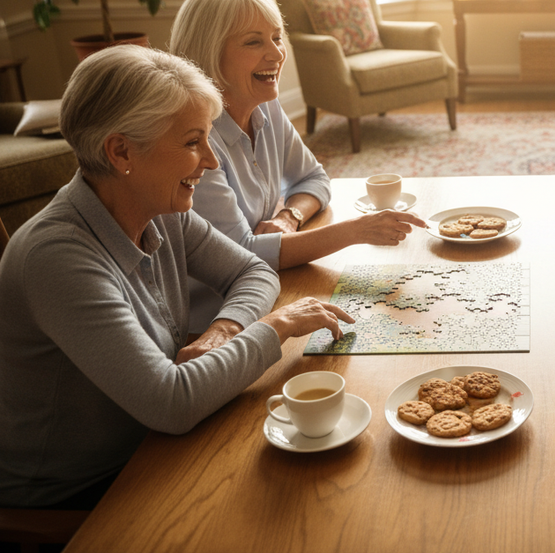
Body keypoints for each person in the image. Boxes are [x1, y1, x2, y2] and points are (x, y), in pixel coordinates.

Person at [0, 46, 352, 508]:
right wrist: (276, 327)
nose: (210, 160)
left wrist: (223, 330)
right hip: (84, 490)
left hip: (153, 442)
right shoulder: (57, 258)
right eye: (192, 142)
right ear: (121, 150)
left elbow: (254, 270)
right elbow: (172, 403)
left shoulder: (157, 206)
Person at [169, 0, 426, 334]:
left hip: (270, 285)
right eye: (254, 41)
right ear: (209, 53)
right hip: (218, 319)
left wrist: (290, 216)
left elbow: (314, 179)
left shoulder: (267, 106)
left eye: (276, 37)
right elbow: (242, 256)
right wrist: (356, 230)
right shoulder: (195, 143)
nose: (276, 54)